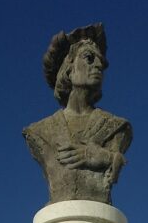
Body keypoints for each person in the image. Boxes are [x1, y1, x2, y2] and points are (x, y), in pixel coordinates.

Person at [23, 23, 132, 204]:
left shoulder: (117, 128)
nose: (98, 65)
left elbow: (115, 161)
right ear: (69, 69)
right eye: (89, 58)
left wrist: (108, 157)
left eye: (101, 62)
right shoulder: (39, 131)